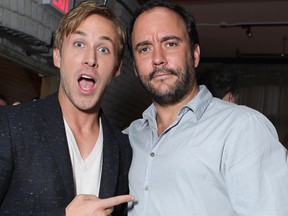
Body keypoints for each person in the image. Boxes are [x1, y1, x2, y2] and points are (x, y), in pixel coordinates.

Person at [124, 0, 288, 215]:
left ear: (194, 55)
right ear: (135, 67)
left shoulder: (242, 129)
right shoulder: (128, 137)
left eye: (170, 43)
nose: (158, 59)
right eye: (145, 48)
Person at [0, 1, 133, 215]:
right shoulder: (10, 125)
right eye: (79, 44)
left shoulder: (123, 148)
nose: (91, 59)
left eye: (103, 49)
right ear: (58, 56)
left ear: (117, 68)